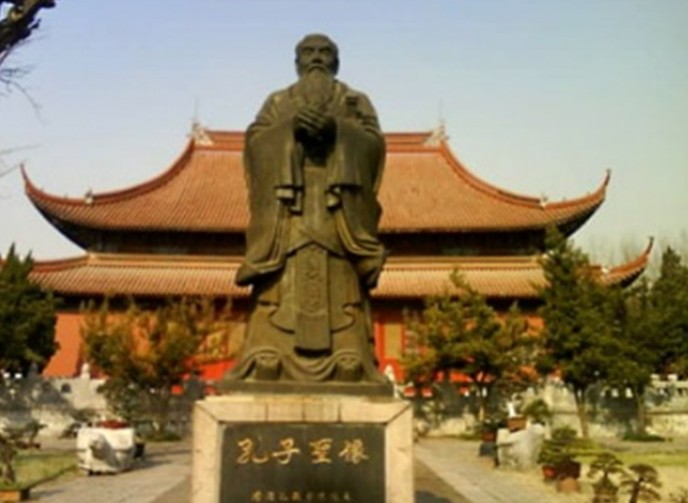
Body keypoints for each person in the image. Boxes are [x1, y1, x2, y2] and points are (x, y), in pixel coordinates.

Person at [228, 34, 388, 387]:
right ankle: (267, 352)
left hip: (339, 204)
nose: (317, 58)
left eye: (325, 52)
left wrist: (338, 132)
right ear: (297, 62)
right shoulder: (278, 101)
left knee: (341, 275)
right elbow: (255, 143)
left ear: (336, 62)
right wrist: (288, 130)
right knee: (279, 279)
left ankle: (349, 354)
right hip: (288, 206)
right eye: (308, 52)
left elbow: (374, 147)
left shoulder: (355, 101)